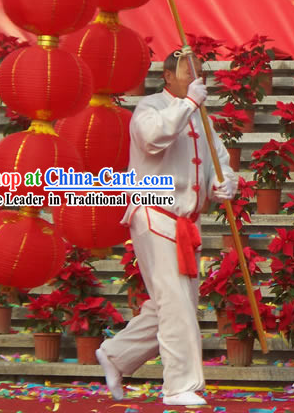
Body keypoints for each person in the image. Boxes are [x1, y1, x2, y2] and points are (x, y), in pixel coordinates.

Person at [96, 49, 238, 406]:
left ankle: (115, 355)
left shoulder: (201, 117)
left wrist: (225, 185)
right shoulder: (151, 108)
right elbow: (152, 138)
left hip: (187, 223)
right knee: (175, 303)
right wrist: (188, 103)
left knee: (171, 305)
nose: (195, 78)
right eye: (187, 72)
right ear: (168, 77)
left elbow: (221, 162)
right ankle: (179, 385)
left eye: (198, 72)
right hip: (155, 215)